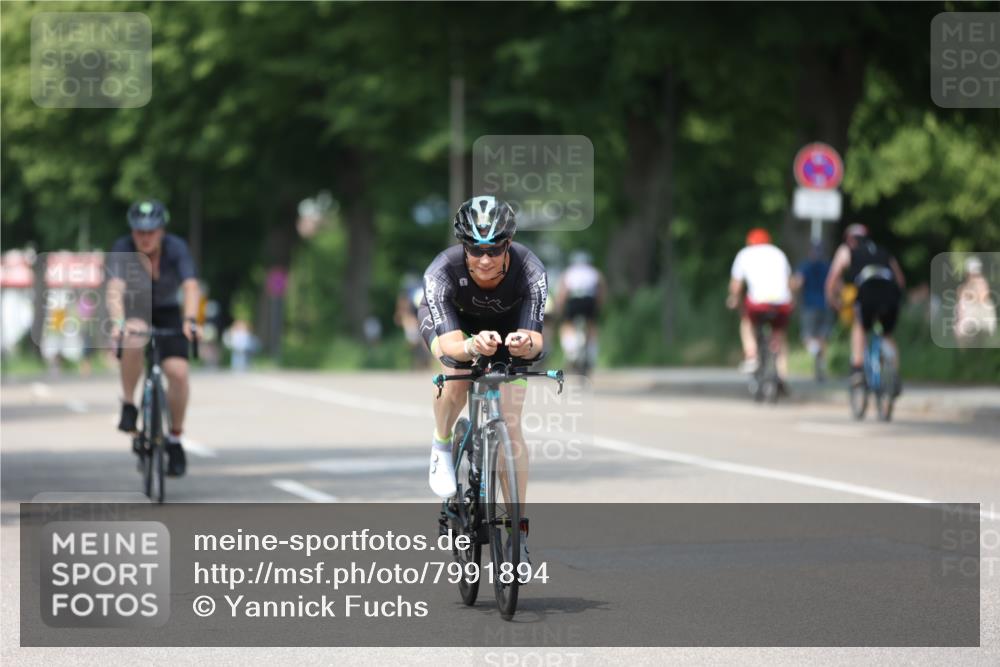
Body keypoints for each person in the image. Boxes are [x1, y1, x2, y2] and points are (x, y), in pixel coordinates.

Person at [417, 195, 546, 565]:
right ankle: (442, 443)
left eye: (494, 249)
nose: (485, 259)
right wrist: (472, 345)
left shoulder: (530, 269)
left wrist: (523, 343)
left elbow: (537, 339)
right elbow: (448, 345)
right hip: (454, 327)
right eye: (475, 250)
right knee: (457, 376)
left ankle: (517, 531)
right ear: (463, 246)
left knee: (511, 423)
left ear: (509, 244)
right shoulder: (442, 270)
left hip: (507, 329)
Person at [106, 199, 200, 477]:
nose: (145, 237)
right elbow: (115, 289)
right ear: (132, 231)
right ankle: (128, 404)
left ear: (162, 231)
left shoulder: (176, 248)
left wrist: (190, 320)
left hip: (168, 311)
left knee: (179, 374)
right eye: (140, 231)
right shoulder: (123, 248)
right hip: (136, 309)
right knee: (133, 336)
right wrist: (119, 322)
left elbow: (190, 286)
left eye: (151, 231)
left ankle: (175, 439)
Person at [824, 223, 906, 391]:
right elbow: (900, 280)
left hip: (868, 290)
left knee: (860, 325)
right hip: (890, 292)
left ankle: (858, 369)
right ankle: (894, 375)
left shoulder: (846, 250)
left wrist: (831, 300)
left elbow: (832, 278)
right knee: (887, 334)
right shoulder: (882, 251)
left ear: (849, 239)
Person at [726, 228, 793, 390]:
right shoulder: (778, 253)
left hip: (758, 303)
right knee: (779, 335)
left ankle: (752, 356)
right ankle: (782, 375)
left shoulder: (745, 254)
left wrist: (734, 299)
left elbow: (736, 285)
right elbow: (790, 282)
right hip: (781, 303)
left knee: (746, 322)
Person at [554, 250, 606, 374]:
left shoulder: (569, 272)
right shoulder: (594, 272)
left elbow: (563, 291)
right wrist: (599, 305)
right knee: (591, 325)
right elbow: (601, 289)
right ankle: (591, 355)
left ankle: (571, 352)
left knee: (567, 325)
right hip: (589, 301)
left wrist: (559, 308)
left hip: (574, 300)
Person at [791, 242, 834, 381]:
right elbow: (836, 285)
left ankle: (815, 352)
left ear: (810, 252)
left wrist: (792, 292)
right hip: (826, 306)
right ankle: (821, 367)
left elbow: (798, 284)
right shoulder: (828, 267)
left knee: (807, 337)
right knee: (823, 338)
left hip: (810, 306)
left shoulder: (805, 266)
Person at [953, 255, 997, 347]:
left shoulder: (981, 282)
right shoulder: (967, 285)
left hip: (979, 320)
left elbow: (982, 298)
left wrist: (968, 295)